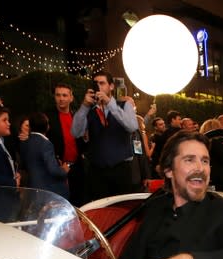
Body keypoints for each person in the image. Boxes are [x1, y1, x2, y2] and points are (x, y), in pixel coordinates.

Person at [119, 130, 223, 259]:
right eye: (189, 160)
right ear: (169, 170)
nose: (200, 168)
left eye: (205, 161)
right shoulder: (155, 206)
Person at [71, 70, 138, 201]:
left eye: (102, 83)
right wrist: (84, 106)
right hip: (97, 172)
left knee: (121, 209)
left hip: (121, 170)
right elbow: (75, 132)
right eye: (96, 84)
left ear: (111, 86)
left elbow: (132, 126)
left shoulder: (124, 105)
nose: (99, 87)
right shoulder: (89, 110)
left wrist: (110, 103)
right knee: (100, 212)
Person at [46, 83, 86, 205]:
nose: (61, 98)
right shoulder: (47, 117)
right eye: (58, 95)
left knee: (79, 204)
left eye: (64, 95)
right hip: (59, 168)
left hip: (77, 167)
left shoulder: (77, 116)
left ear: (71, 98)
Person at [20, 111, 70, 199]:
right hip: (49, 191)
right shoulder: (45, 144)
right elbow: (53, 170)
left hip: (33, 188)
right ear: (47, 126)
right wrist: (63, 170)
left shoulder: (26, 142)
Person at [130, 114, 152, 192]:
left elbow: (139, 152)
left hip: (136, 176)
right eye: (143, 123)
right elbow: (145, 153)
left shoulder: (137, 134)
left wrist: (145, 175)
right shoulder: (141, 134)